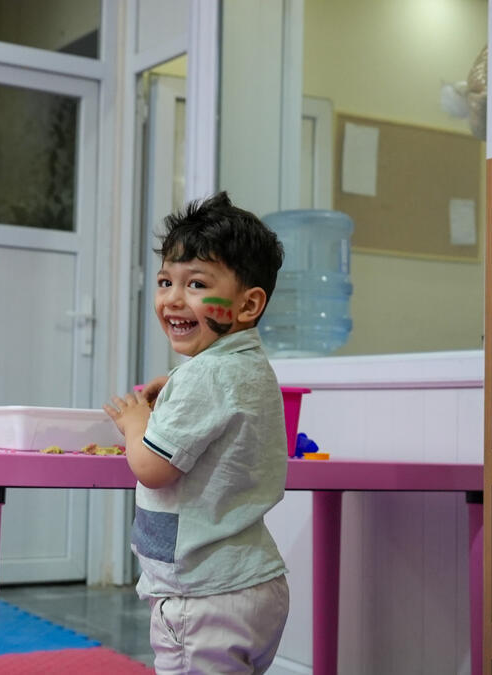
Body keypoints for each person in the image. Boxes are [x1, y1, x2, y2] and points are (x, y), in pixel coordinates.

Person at [104, 191, 291, 674]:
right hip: (252, 586)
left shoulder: (203, 376)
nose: (172, 298)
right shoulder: (247, 367)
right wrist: (176, 391)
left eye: (196, 283)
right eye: (167, 281)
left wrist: (135, 423)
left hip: (203, 594)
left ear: (248, 305)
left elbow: (152, 468)